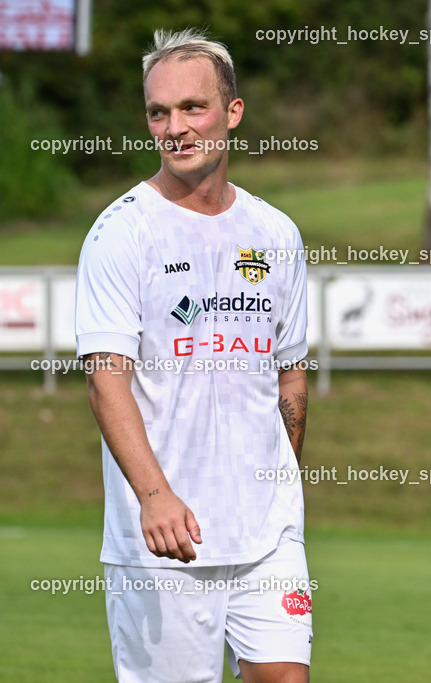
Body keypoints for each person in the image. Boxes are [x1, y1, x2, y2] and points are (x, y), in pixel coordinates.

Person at [75, 28, 311, 683]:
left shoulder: (275, 233)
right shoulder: (122, 232)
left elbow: (290, 373)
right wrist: (154, 495)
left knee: (285, 677)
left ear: (232, 113)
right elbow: (105, 381)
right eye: (158, 112)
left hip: (267, 537)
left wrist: (280, 482)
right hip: (164, 541)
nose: (174, 127)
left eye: (191, 108)